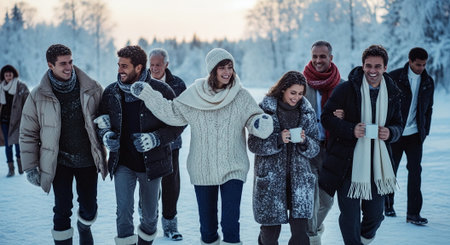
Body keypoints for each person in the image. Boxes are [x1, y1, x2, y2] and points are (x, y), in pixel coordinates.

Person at [130, 48, 274, 245]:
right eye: (222, 68)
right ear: (212, 70)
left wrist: (261, 123)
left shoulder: (241, 96)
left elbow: (254, 118)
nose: (227, 72)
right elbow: (172, 113)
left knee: (231, 225)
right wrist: (148, 94)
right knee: (208, 229)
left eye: (230, 67)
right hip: (202, 168)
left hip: (234, 166)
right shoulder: (195, 95)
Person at [95, 45, 184, 245]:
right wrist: (106, 134)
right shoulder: (111, 92)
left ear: (138, 67)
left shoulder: (161, 90)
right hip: (122, 164)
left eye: (124, 66)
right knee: (123, 212)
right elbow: (101, 118)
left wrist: (156, 138)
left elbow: (179, 122)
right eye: (119, 65)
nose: (120, 70)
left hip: (152, 165)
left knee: (150, 217)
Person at [20, 44, 108, 245]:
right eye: (62, 64)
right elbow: (28, 133)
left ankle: (84, 227)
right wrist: (30, 166)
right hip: (58, 161)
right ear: (50, 65)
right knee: (62, 208)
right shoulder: (38, 95)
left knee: (89, 207)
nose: (68, 67)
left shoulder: (92, 88)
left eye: (70, 62)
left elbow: (105, 119)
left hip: (87, 159)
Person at [319, 45, 403, 244]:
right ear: (363, 65)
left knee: (375, 215)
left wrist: (390, 132)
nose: (372, 70)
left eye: (377, 66)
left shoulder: (393, 91)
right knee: (350, 216)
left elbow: (399, 124)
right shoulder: (346, 88)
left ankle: (364, 240)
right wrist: (351, 129)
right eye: (368, 65)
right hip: (347, 162)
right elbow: (326, 118)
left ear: (385, 67)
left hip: (378, 164)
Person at [248, 71, 320, 245]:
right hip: (271, 181)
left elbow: (315, 147)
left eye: (300, 93)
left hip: (299, 182)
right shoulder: (265, 110)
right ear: (283, 90)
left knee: (300, 236)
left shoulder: (307, 113)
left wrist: (304, 142)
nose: (297, 97)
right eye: (293, 93)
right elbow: (254, 144)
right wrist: (278, 140)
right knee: (270, 234)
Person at [384, 47, 434, 225]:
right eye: (418, 64)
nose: (421, 68)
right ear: (410, 61)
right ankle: (387, 205)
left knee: (415, 172)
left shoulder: (428, 81)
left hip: (415, 135)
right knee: (390, 170)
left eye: (424, 64)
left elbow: (429, 109)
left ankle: (413, 213)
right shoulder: (394, 77)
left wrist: (424, 131)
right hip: (396, 133)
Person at [302, 41, 343, 245]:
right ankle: (312, 238)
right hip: (307, 149)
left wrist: (344, 116)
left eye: (322, 57)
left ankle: (313, 230)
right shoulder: (301, 84)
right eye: (314, 56)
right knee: (310, 198)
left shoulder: (341, 85)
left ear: (330, 58)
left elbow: (354, 114)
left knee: (326, 200)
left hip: (331, 149)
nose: (318, 60)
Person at [149, 48, 187, 240]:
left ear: (166, 65)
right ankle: (148, 221)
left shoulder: (177, 84)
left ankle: (170, 225)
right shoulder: (141, 83)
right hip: (147, 145)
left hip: (171, 143)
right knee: (149, 184)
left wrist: (165, 134)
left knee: (171, 184)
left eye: (158, 65)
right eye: (152, 65)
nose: (155, 69)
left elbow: (182, 115)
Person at [0, 65, 29, 177]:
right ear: (3, 76)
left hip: (18, 121)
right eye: (6, 75)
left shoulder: (21, 87)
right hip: (4, 121)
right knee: (8, 145)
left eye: (10, 74)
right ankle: (11, 169)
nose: (8, 77)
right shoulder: (1, 87)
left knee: (18, 144)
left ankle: (21, 166)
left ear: (14, 75)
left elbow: (29, 102)